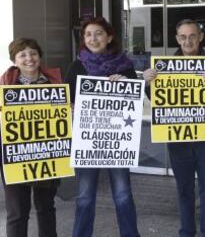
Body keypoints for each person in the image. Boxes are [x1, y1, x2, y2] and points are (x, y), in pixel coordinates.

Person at [143, 19, 205, 237]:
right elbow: (159, 100)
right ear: (177, 39)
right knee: (184, 190)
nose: (188, 41)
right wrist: (149, 83)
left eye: (192, 36)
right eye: (183, 37)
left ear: (200, 37)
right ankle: (186, 231)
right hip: (178, 140)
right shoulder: (164, 66)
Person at [65, 17, 140, 237]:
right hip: (87, 141)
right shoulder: (76, 66)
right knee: (85, 196)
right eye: (88, 34)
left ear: (109, 37)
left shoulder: (125, 68)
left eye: (98, 33)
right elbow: (68, 104)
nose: (93, 38)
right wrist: (73, 108)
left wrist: (124, 86)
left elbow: (133, 102)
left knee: (123, 194)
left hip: (117, 143)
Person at [0, 38, 62, 237]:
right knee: (17, 212)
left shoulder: (55, 83)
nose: (29, 58)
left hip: (48, 154)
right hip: (15, 155)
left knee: (46, 207)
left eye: (33, 53)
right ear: (14, 60)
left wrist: (70, 110)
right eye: (23, 55)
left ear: (40, 56)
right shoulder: (4, 86)